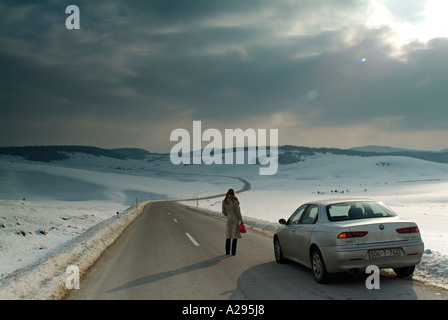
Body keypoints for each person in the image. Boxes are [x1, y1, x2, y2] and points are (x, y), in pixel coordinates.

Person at [222, 188, 243, 255]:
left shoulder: (224, 201)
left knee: (228, 235)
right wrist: (241, 220)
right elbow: (238, 212)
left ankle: (227, 251)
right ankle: (233, 252)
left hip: (229, 219)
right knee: (235, 235)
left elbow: (223, 211)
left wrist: (228, 215)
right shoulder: (235, 201)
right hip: (235, 219)